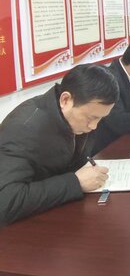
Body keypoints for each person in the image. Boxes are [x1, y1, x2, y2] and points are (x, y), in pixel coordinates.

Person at [0, 64, 119, 227]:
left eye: (101, 118)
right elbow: (6, 202)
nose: (94, 126)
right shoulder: (24, 129)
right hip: (20, 229)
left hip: (56, 212)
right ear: (65, 100)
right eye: (91, 118)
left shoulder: (77, 116)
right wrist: (75, 182)